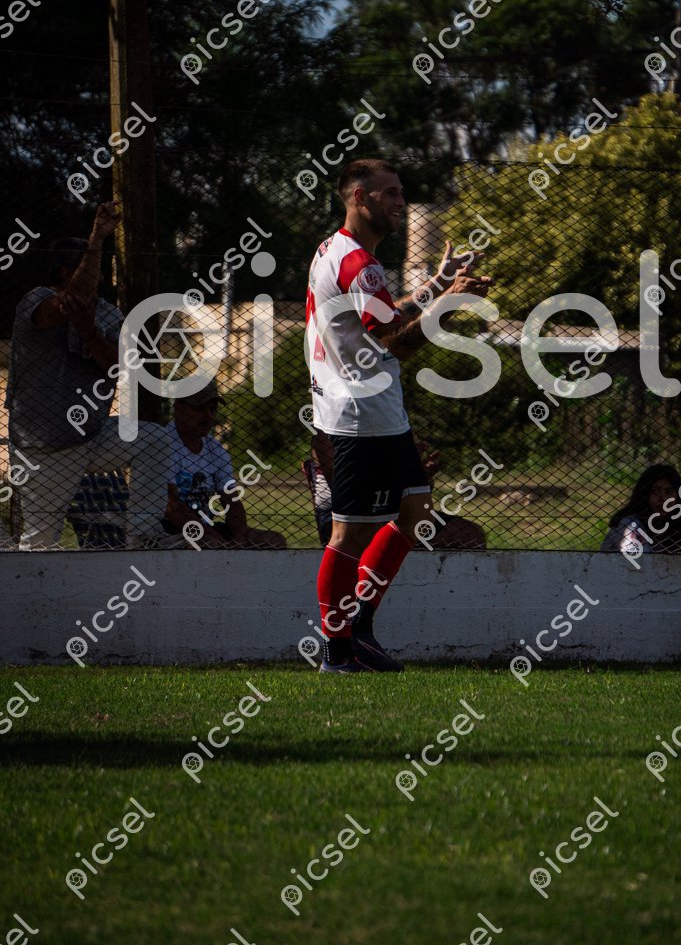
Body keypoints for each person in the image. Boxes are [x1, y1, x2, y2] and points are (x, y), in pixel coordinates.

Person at [305, 157, 491, 673]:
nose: (400, 203)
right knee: (348, 536)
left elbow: (386, 315)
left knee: (415, 513)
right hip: (358, 414)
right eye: (389, 193)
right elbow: (398, 342)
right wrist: (449, 303)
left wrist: (437, 282)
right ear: (358, 197)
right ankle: (337, 649)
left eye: (401, 192)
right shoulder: (357, 261)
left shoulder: (340, 251)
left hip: (380, 410)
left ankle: (359, 626)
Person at [6, 203, 171, 549]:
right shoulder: (36, 301)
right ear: (66, 271)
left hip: (92, 435)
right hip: (46, 445)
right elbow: (71, 300)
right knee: (40, 545)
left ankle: (142, 535)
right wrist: (97, 238)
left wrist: (90, 332)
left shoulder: (107, 313)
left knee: (153, 440)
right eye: (91, 266)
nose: (99, 276)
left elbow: (118, 367)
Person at [303, 430, 487, 550]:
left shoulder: (394, 423)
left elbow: (420, 491)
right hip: (346, 515)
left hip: (393, 505)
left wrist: (419, 474)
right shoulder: (329, 431)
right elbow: (350, 490)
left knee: (471, 534)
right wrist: (396, 468)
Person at [161, 382, 286, 549]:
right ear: (179, 408)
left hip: (206, 527)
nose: (208, 417)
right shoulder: (163, 445)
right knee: (212, 544)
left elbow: (231, 500)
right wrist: (212, 537)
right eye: (199, 409)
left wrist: (240, 538)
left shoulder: (214, 448)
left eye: (212, 410)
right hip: (169, 530)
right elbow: (171, 507)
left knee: (275, 540)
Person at [600, 463, 681, 555]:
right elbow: (641, 564)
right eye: (656, 491)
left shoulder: (678, 524)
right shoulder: (629, 524)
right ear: (645, 494)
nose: (663, 498)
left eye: (669, 492)